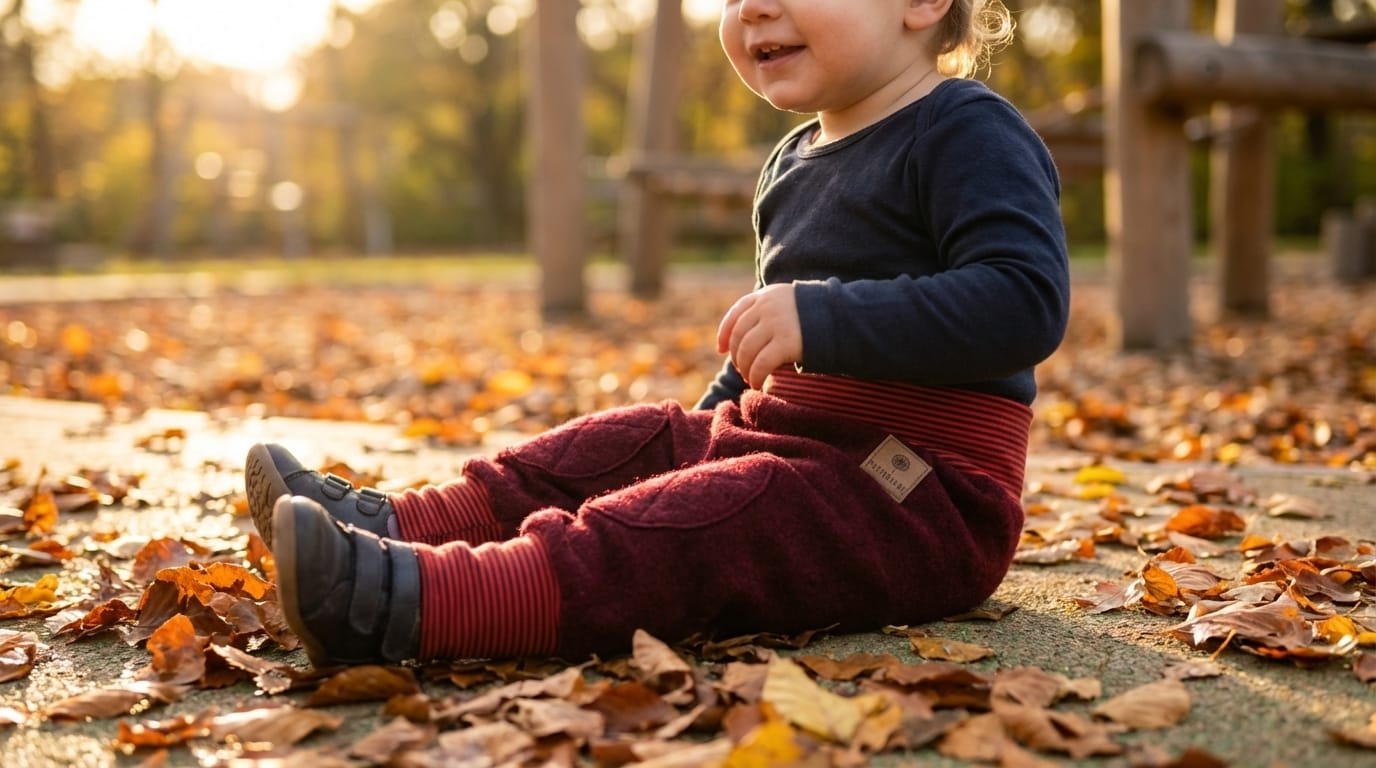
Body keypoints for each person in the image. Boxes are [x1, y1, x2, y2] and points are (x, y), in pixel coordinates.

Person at [247, 0, 1069, 667]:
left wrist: (823, 315)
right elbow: (763, 369)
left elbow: (1025, 300)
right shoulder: (790, 163)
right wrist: (697, 428)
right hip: (794, 444)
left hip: (917, 491)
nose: (753, 8)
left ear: (922, 4)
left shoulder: (966, 128)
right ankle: (401, 525)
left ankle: (416, 601)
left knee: (707, 518)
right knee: (629, 440)